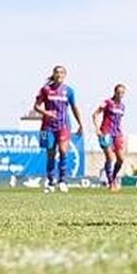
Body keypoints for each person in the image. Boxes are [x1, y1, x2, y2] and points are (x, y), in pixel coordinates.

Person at [32, 65, 82, 193]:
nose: (59, 75)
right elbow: (36, 106)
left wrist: (80, 124)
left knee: (63, 151)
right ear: (53, 74)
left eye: (62, 72)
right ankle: (50, 181)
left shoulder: (69, 91)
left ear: (65, 75)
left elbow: (74, 107)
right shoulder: (45, 89)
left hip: (64, 125)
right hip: (48, 126)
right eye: (57, 72)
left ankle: (63, 180)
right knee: (50, 153)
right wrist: (47, 113)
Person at [91, 84, 127, 190]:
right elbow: (95, 114)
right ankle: (110, 182)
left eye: (122, 93)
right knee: (110, 157)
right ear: (114, 92)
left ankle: (114, 177)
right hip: (106, 132)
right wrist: (97, 129)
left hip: (118, 134)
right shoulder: (107, 102)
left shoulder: (122, 106)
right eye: (118, 92)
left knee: (121, 159)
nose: (120, 94)